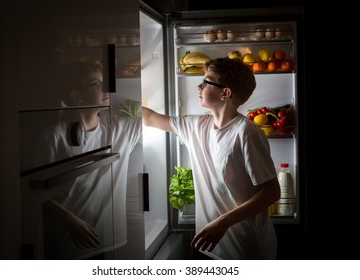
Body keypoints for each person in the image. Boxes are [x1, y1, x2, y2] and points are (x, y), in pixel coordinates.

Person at [142, 57, 280, 260]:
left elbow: (271, 192)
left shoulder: (247, 134)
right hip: (214, 246)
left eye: (206, 82)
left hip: (246, 248)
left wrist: (223, 223)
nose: (199, 86)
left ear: (225, 93)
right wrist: (117, 99)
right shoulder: (196, 126)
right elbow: (150, 118)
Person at [35, 61, 142, 259]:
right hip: (67, 241)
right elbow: (36, 189)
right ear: (76, 96)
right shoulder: (54, 136)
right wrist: (69, 220)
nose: (106, 89)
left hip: (104, 237)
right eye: (97, 84)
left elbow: (166, 120)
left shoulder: (119, 129)